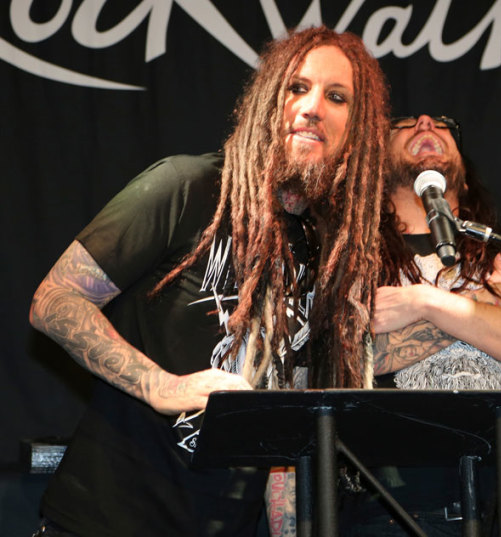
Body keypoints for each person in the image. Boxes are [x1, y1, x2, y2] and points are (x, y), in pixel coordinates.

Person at [28, 26, 389, 537]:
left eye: (337, 97)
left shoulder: (329, 255)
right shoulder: (188, 186)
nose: (313, 107)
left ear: (358, 128)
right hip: (107, 517)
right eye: (297, 87)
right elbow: (54, 300)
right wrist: (162, 386)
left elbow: (287, 422)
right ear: (268, 99)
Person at [339, 113, 501, 536]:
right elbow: (353, 359)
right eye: (405, 122)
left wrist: (424, 302)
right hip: (392, 507)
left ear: (463, 181)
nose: (427, 123)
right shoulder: (354, 258)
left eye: (443, 124)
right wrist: (489, 315)